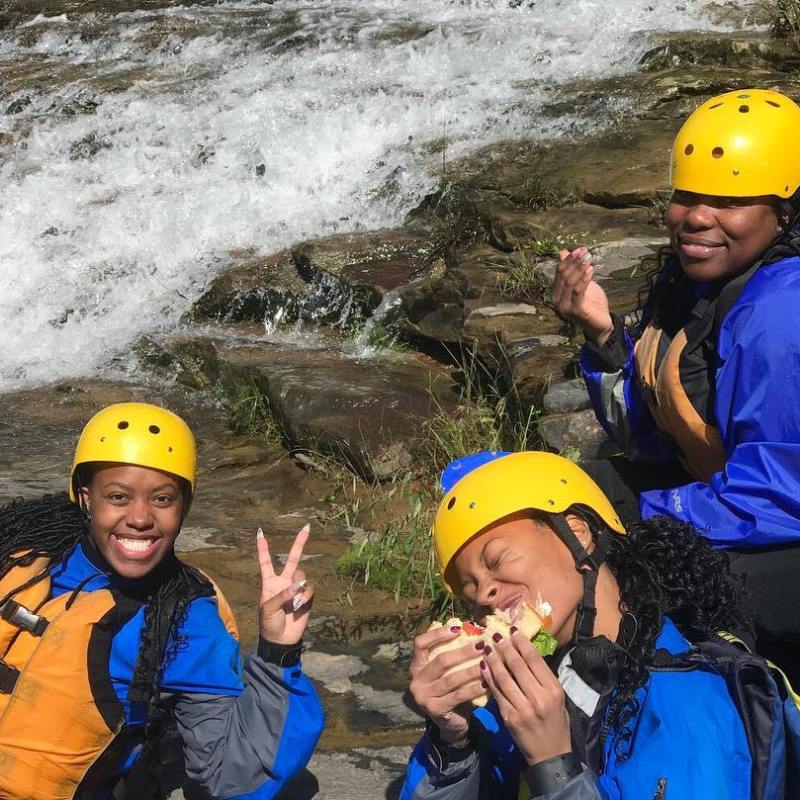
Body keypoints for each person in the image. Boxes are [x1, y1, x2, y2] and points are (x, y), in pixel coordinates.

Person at [551, 87, 800, 676]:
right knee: (555, 501)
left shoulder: (780, 319)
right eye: (688, 196)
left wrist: (641, 522)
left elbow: (780, 494)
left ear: (784, 214)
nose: (696, 217)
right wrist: (603, 338)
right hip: (744, 500)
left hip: (781, 520)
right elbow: (658, 438)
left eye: (730, 201)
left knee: (627, 566)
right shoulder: (703, 285)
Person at [398, 450, 795, 800]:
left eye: (497, 560)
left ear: (577, 533)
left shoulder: (692, 702)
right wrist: (453, 746)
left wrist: (553, 766)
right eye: (470, 591)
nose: (484, 593)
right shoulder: (522, 699)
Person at [0, 402, 324, 799]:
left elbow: (232, 773)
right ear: (86, 498)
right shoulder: (23, 552)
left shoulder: (182, 621)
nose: (140, 517)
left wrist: (278, 653)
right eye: (118, 497)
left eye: (162, 499)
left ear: (184, 506)